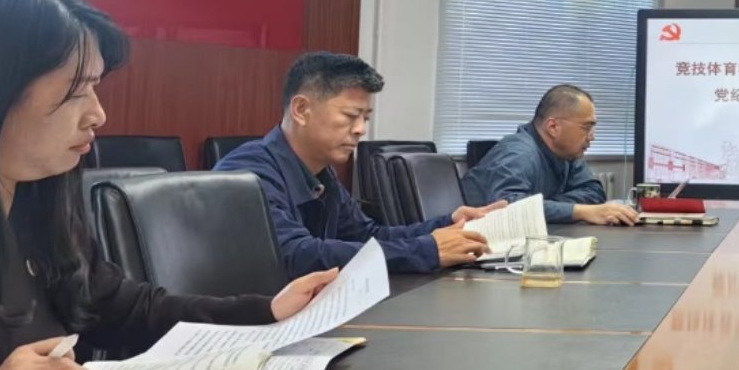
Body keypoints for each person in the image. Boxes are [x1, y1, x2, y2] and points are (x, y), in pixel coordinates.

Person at [0, 0, 337, 370]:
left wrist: (269, 311)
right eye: (77, 90)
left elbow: (124, 309)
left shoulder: (35, 205)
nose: (98, 114)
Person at [217, 52, 501, 278]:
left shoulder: (321, 173)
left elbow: (368, 235)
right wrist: (425, 250)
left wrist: (449, 224)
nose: (360, 130)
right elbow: (296, 255)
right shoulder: (247, 173)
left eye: (365, 118)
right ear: (301, 110)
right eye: (351, 116)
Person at [461, 85, 639, 226]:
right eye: (586, 127)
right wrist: (580, 211)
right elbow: (508, 208)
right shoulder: (518, 153)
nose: (592, 136)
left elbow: (594, 193)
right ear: (553, 127)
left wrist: (547, 206)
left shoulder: (566, 153)